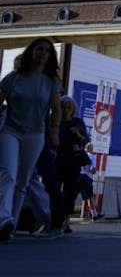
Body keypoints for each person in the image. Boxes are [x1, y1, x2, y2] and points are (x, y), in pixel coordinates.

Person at [0, 38, 63, 241]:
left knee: (23, 181)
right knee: (8, 174)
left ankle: (10, 225)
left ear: (50, 56)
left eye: (47, 50)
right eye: (39, 49)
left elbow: (56, 109)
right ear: (32, 52)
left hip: (36, 134)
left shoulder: (51, 81)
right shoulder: (14, 77)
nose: (43, 53)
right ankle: (3, 218)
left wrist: (54, 131)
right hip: (11, 131)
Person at [56, 96, 89, 234]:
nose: (66, 110)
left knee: (69, 192)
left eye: (69, 107)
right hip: (57, 160)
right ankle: (54, 219)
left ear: (73, 109)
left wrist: (78, 134)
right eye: (63, 107)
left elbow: (85, 140)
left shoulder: (77, 122)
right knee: (53, 189)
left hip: (73, 161)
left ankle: (66, 222)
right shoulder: (55, 122)